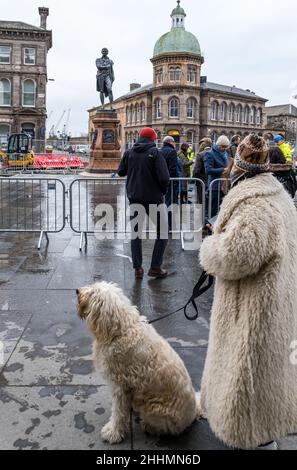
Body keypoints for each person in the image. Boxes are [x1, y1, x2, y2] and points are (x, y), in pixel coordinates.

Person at [198, 134, 297, 450]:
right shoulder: (278, 195)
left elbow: (237, 255)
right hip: (278, 295)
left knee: (249, 372)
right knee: (269, 371)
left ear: (239, 168)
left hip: (256, 306)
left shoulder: (255, 205)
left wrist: (210, 246)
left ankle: (257, 436)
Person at [118, 127, 170, 279]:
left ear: (139, 138)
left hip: (134, 197)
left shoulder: (129, 153)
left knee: (136, 234)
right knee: (162, 233)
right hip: (154, 199)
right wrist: (162, 191)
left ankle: (137, 268)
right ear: (153, 139)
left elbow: (121, 171)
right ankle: (155, 267)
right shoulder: (155, 153)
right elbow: (164, 177)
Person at [204, 135, 230, 217]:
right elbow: (208, 170)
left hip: (225, 186)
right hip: (215, 186)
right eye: (223, 146)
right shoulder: (209, 154)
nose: (224, 149)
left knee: (222, 210)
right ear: (218, 145)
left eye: (226, 147)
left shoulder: (225, 153)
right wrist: (223, 170)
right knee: (213, 210)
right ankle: (210, 227)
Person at [193, 138, 212, 203]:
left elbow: (196, 170)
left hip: (201, 181)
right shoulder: (215, 153)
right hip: (212, 181)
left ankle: (203, 212)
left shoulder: (200, 154)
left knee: (202, 200)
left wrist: (193, 179)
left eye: (201, 144)